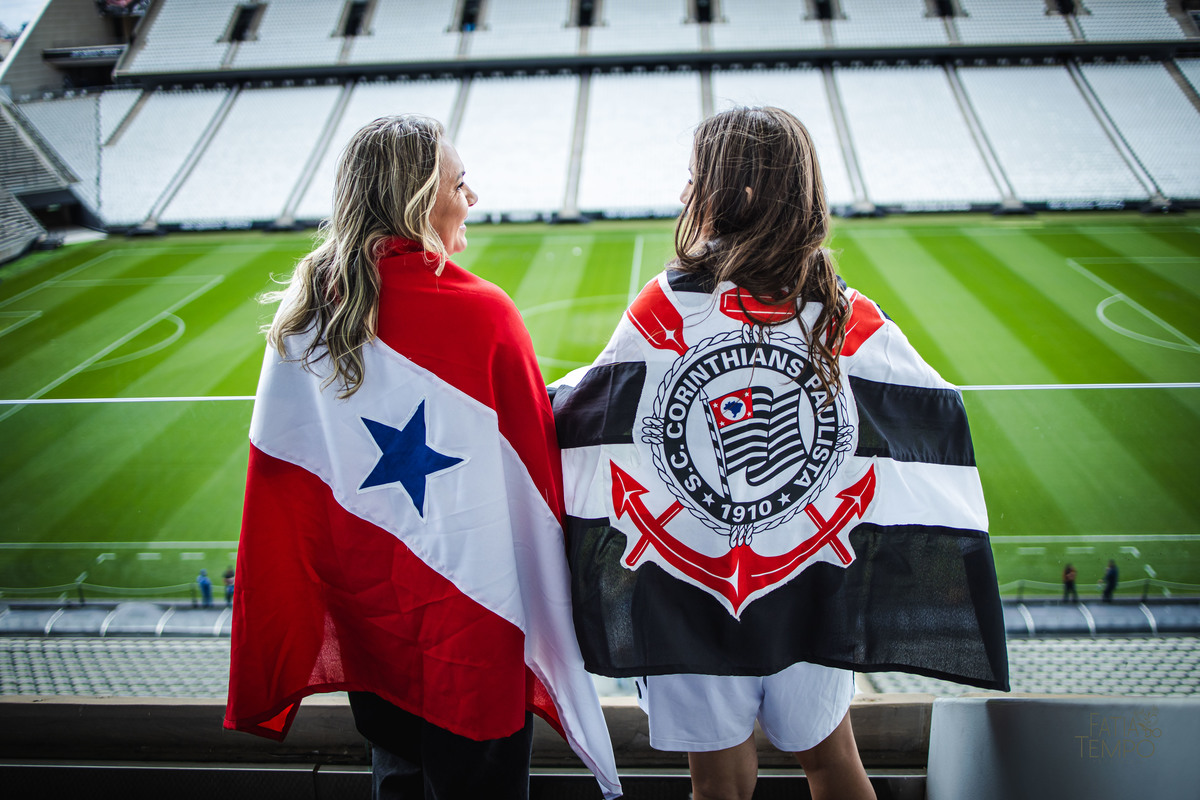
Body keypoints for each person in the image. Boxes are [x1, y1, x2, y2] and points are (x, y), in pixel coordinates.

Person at [553, 106, 1006, 800]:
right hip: (810, 582)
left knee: (720, 785)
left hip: (688, 591)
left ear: (731, 193)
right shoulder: (845, 310)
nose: (683, 196)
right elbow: (928, 408)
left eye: (694, 179)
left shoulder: (667, 305)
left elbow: (591, 406)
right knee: (833, 762)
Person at [224, 115, 619, 800]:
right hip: (476, 631)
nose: (472, 198)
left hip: (374, 629)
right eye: (459, 185)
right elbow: (536, 476)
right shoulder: (482, 315)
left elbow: (287, 484)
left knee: (398, 781)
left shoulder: (304, 316)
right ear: (416, 200)